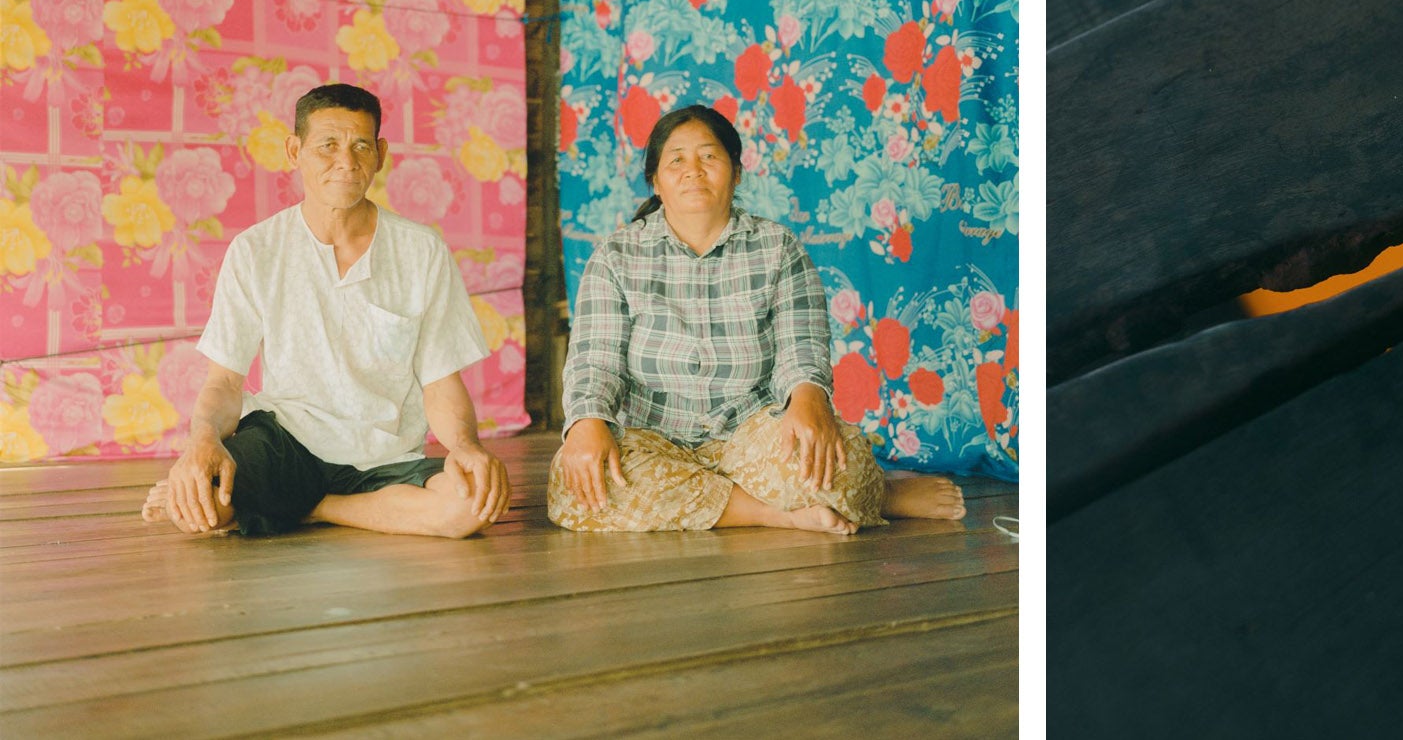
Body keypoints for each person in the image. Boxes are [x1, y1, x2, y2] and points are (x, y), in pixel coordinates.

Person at [551, 104, 966, 535]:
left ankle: (864, 492)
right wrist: (586, 423)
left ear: (736, 172)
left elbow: (801, 347)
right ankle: (777, 512)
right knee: (573, 481)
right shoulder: (616, 256)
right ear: (655, 181)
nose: (693, 170)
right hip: (652, 439)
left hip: (749, 434)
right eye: (676, 160)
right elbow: (594, 362)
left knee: (845, 462)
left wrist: (808, 400)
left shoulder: (778, 247)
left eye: (709, 156)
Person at [142, 83, 509, 538]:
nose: (346, 162)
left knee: (468, 509)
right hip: (287, 443)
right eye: (328, 146)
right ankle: (314, 504)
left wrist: (467, 447)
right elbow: (225, 380)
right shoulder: (256, 250)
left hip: (385, 459)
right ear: (294, 151)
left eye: (360, 146)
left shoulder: (421, 250)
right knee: (200, 510)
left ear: (380, 153)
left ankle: (308, 509)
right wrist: (202, 444)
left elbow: (440, 380)